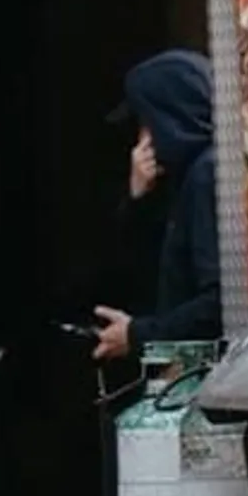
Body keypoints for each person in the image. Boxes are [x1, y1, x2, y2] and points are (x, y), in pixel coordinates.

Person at [89, 49, 221, 365]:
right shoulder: (184, 178)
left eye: (146, 124)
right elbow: (148, 271)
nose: (141, 140)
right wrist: (138, 200)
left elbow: (217, 304)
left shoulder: (206, 175)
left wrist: (139, 335)